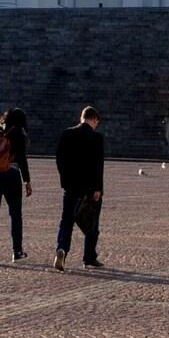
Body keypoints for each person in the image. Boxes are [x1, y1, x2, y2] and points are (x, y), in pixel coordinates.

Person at [54, 106, 105, 270]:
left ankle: (62, 249)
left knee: (66, 220)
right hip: (89, 188)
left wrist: (65, 179)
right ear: (94, 119)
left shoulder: (67, 134)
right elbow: (98, 165)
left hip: (70, 186)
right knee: (92, 222)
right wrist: (98, 188)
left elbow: (59, 159)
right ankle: (89, 257)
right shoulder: (96, 137)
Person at [0, 108, 33, 264]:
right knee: (15, 214)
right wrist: (27, 181)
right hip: (10, 173)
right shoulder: (18, 134)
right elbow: (22, 159)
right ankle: (17, 251)